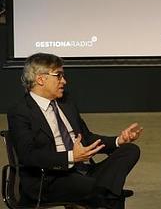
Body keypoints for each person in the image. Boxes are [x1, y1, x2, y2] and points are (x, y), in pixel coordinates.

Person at [7, 53, 142, 209]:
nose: (64, 81)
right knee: (103, 192)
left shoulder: (66, 102)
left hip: (82, 171)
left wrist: (119, 141)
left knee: (130, 150)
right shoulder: (20, 111)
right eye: (59, 75)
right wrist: (71, 156)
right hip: (50, 178)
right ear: (40, 79)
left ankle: (103, 193)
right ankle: (108, 195)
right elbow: (28, 155)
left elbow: (87, 138)